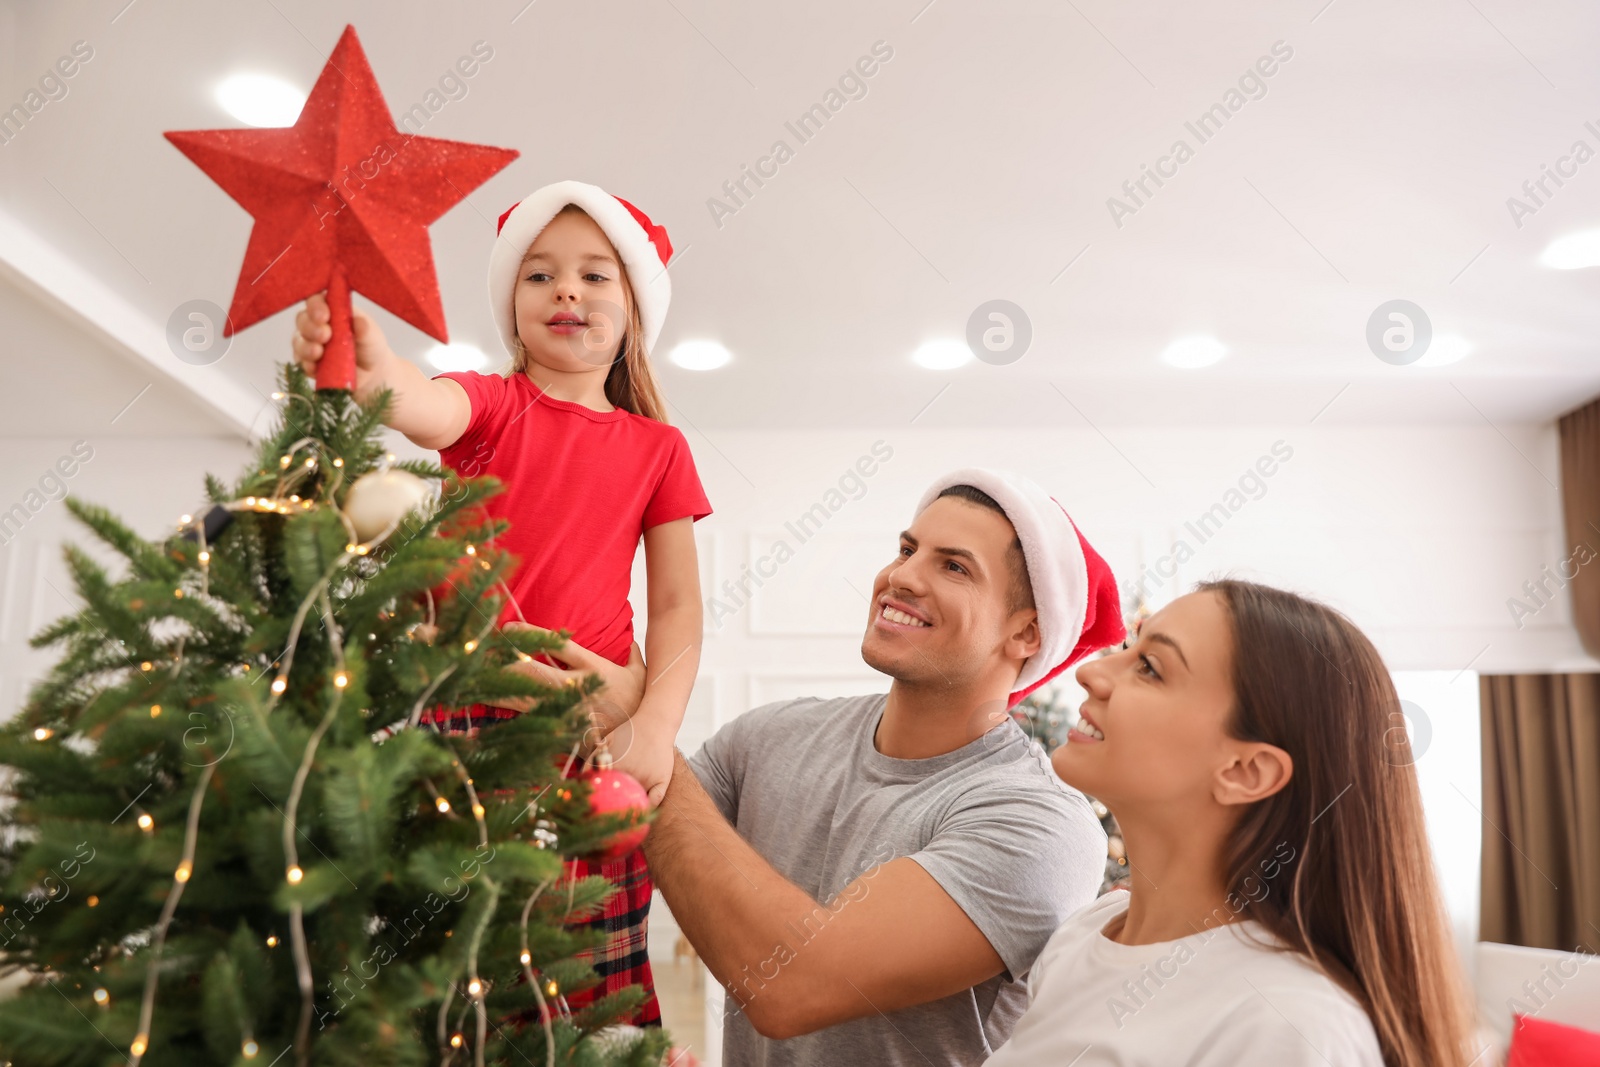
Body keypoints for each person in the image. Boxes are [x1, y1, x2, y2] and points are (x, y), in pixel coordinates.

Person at [290, 180, 710, 1028]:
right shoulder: (489, 404)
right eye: (539, 275)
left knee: (586, 976)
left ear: (634, 310)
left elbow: (677, 608)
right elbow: (421, 402)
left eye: (597, 276)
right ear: (510, 305)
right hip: (461, 725)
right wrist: (374, 368)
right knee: (452, 968)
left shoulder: (659, 447)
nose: (566, 291)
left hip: (588, 746)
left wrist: (655, 725)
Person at [634, 469, 1126, 1065]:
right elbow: (626, 829)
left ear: (1027, 631)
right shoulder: (768, 738)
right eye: (906, 549)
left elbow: (793, 986)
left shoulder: (1041, 823)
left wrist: (638, 729)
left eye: (954, 566)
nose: (901, 577)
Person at [985, 580, 1476, 1066]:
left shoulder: (1289, 1025)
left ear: (1245, 772)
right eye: (1132, 647)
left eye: (1150, 668)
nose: (1091, 673)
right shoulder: (1083, 937)